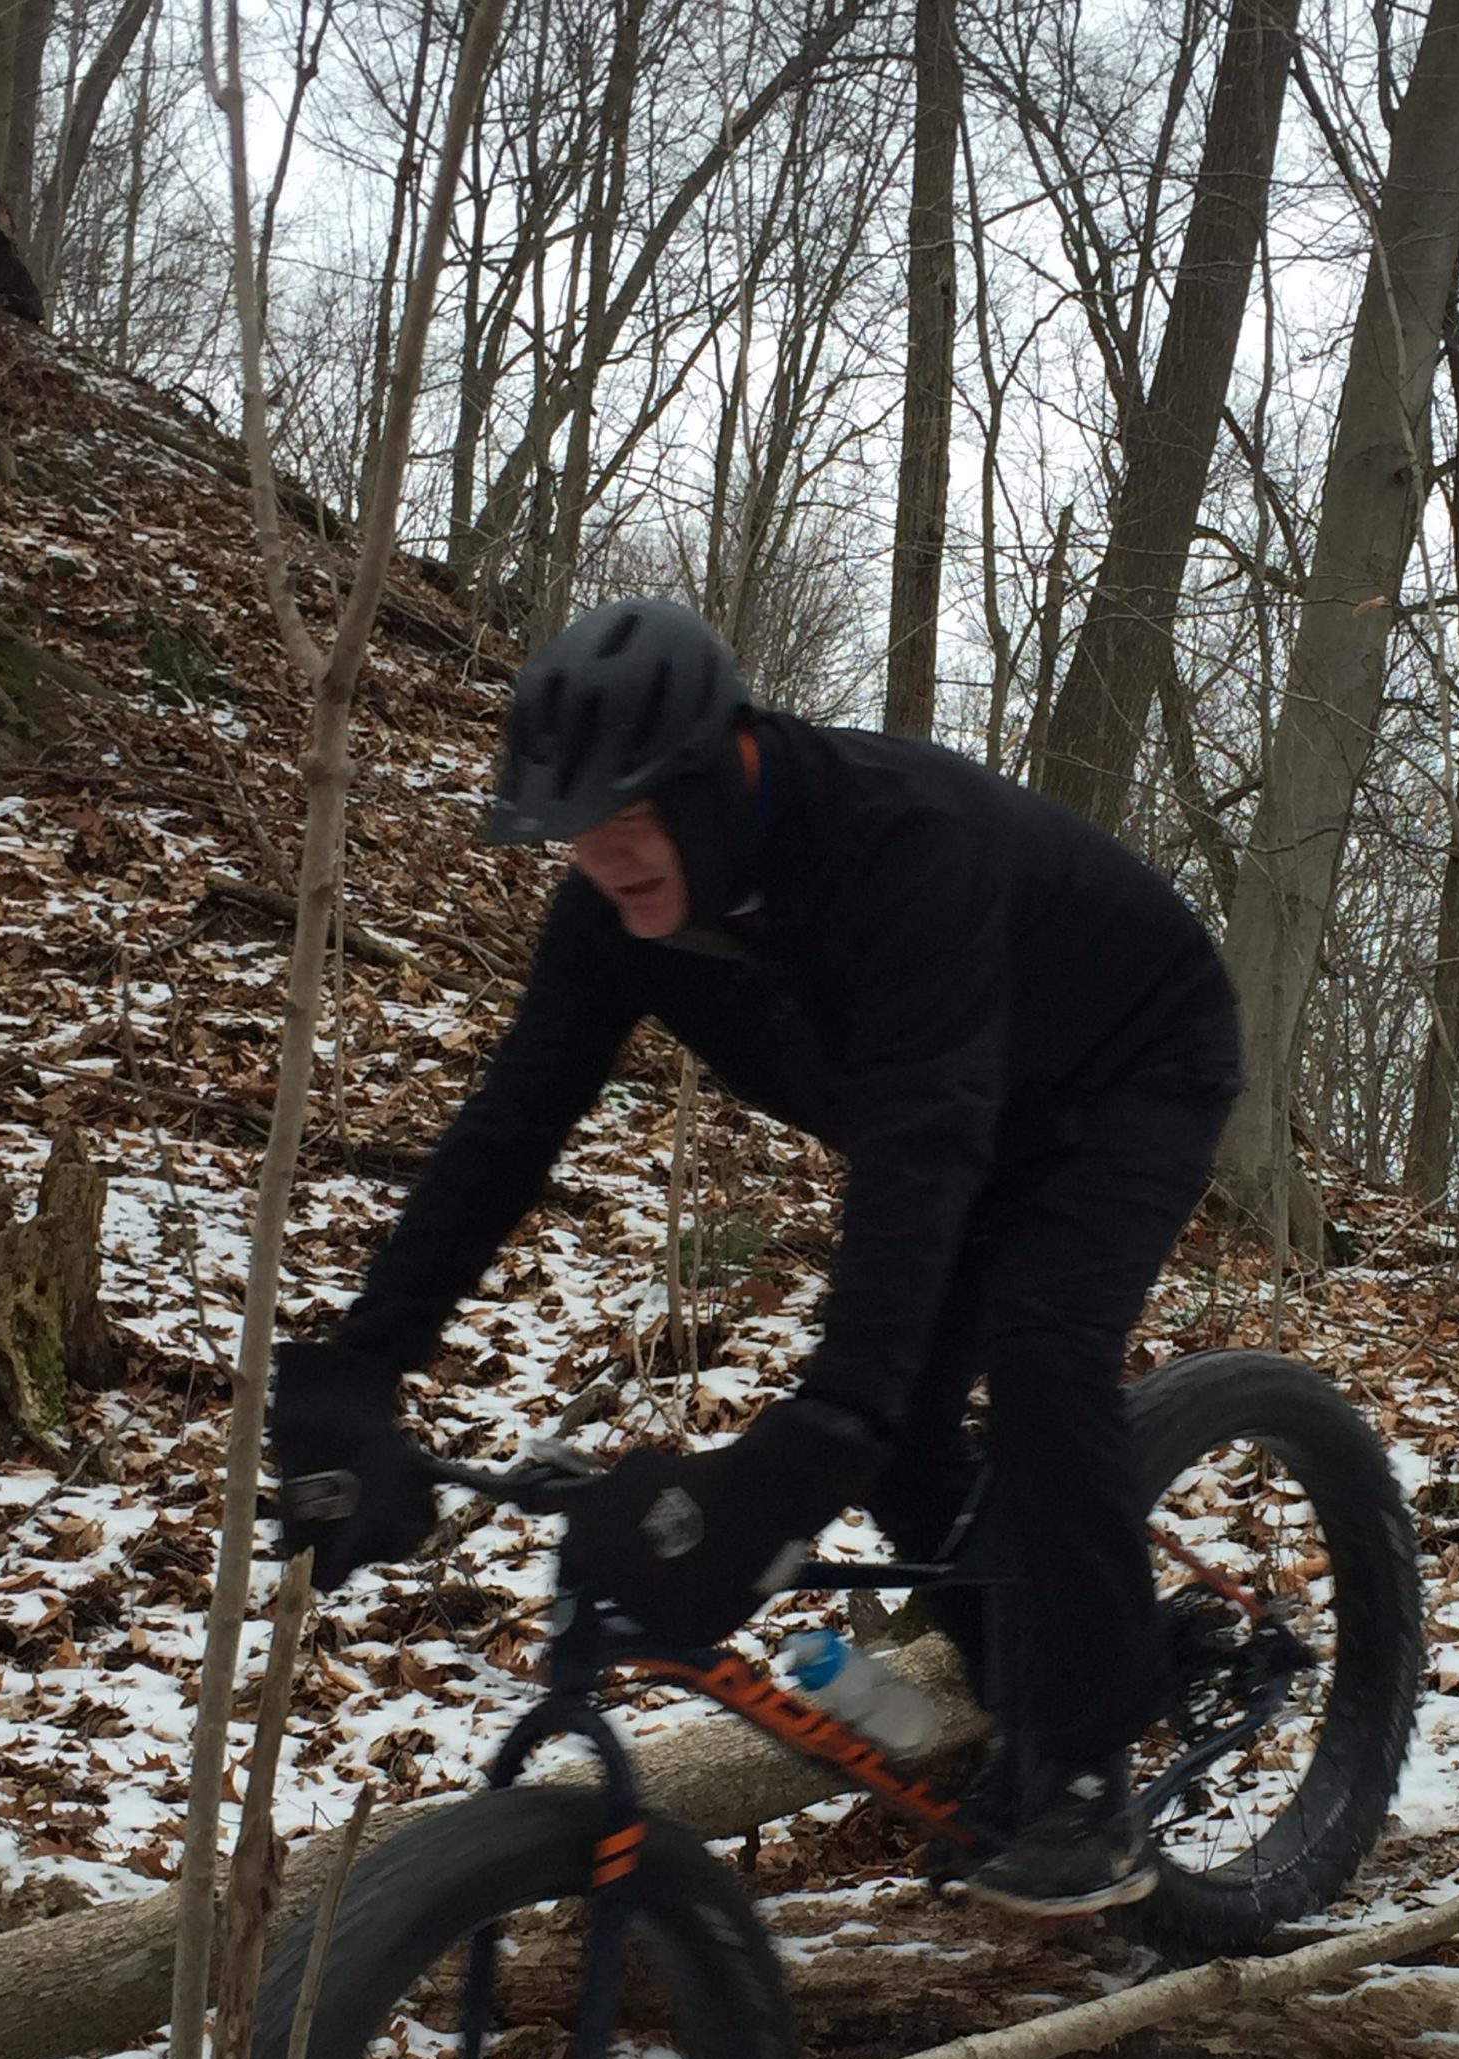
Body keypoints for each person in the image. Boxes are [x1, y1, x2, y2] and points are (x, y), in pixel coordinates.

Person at [269, 598, 1242, 1916]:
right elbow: (509, 1131)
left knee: (1037, 1350)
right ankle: (1023, 1673)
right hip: (969, 1104)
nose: (605, 863)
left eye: (628, 822)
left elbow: (921, 1154)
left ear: (718, 770)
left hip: (1132, 1063)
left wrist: (817, 1432)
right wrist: (360, 1365)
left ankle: (1083, 1766)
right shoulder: (615, 916)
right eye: (576, 836)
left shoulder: (900, 846)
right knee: (908, 1443)